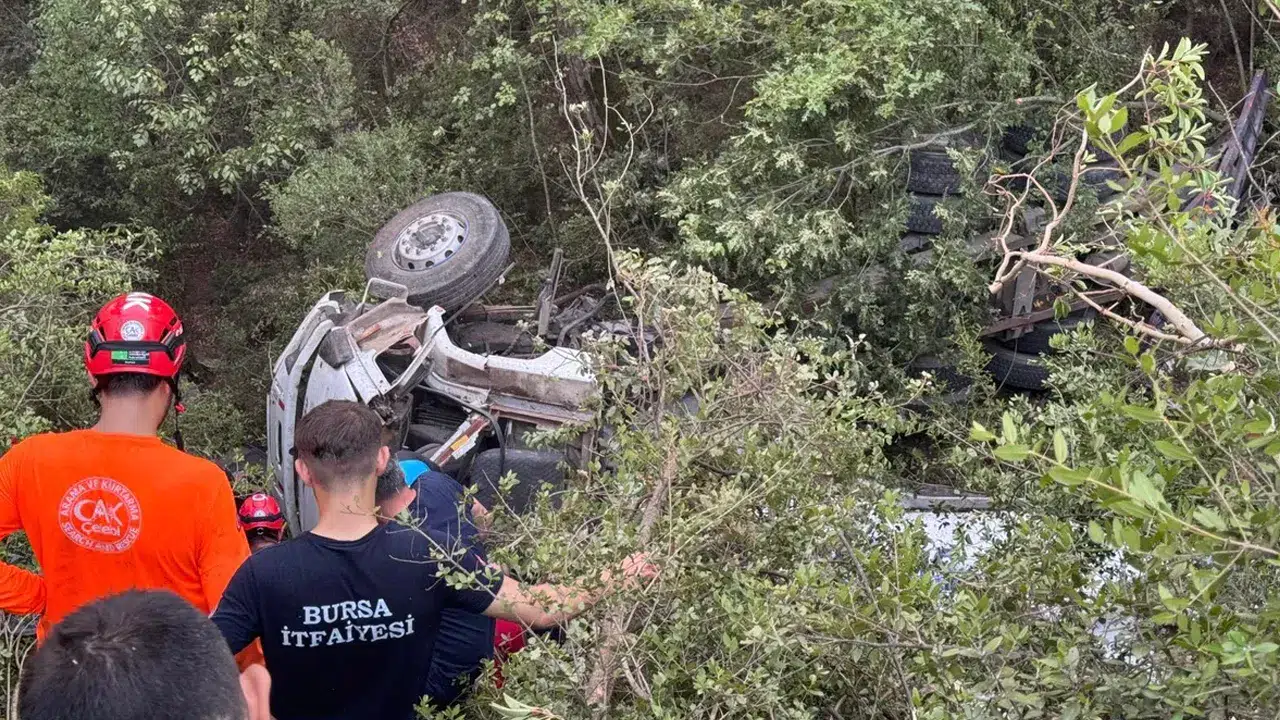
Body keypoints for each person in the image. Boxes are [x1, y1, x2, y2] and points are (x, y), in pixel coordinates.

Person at [212, 400, 655, 720]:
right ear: (384, 459)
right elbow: (541, 608)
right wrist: (620, 574)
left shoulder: (262, 574)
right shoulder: (431, 553)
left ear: (304, 472)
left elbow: (191, 657)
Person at [0, 292, 260, 666]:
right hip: (167, 687)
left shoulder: (31, 460)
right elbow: (235, 612)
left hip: (63, 685)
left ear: (92, 372)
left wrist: (38, 596)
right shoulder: (204, 484)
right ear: (172, 375)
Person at [375, 450, 506, 707]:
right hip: (480, 652)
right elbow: (485, 519)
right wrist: (477, 558)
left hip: (440, 680)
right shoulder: (437, 483)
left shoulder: (401, 545)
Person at [18, 589, 271, 720]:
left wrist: (42, 596)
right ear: (257, 699)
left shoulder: (26, 487)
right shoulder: (203, 490)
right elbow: (221, 584)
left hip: (72, 678)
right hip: (189, 663)